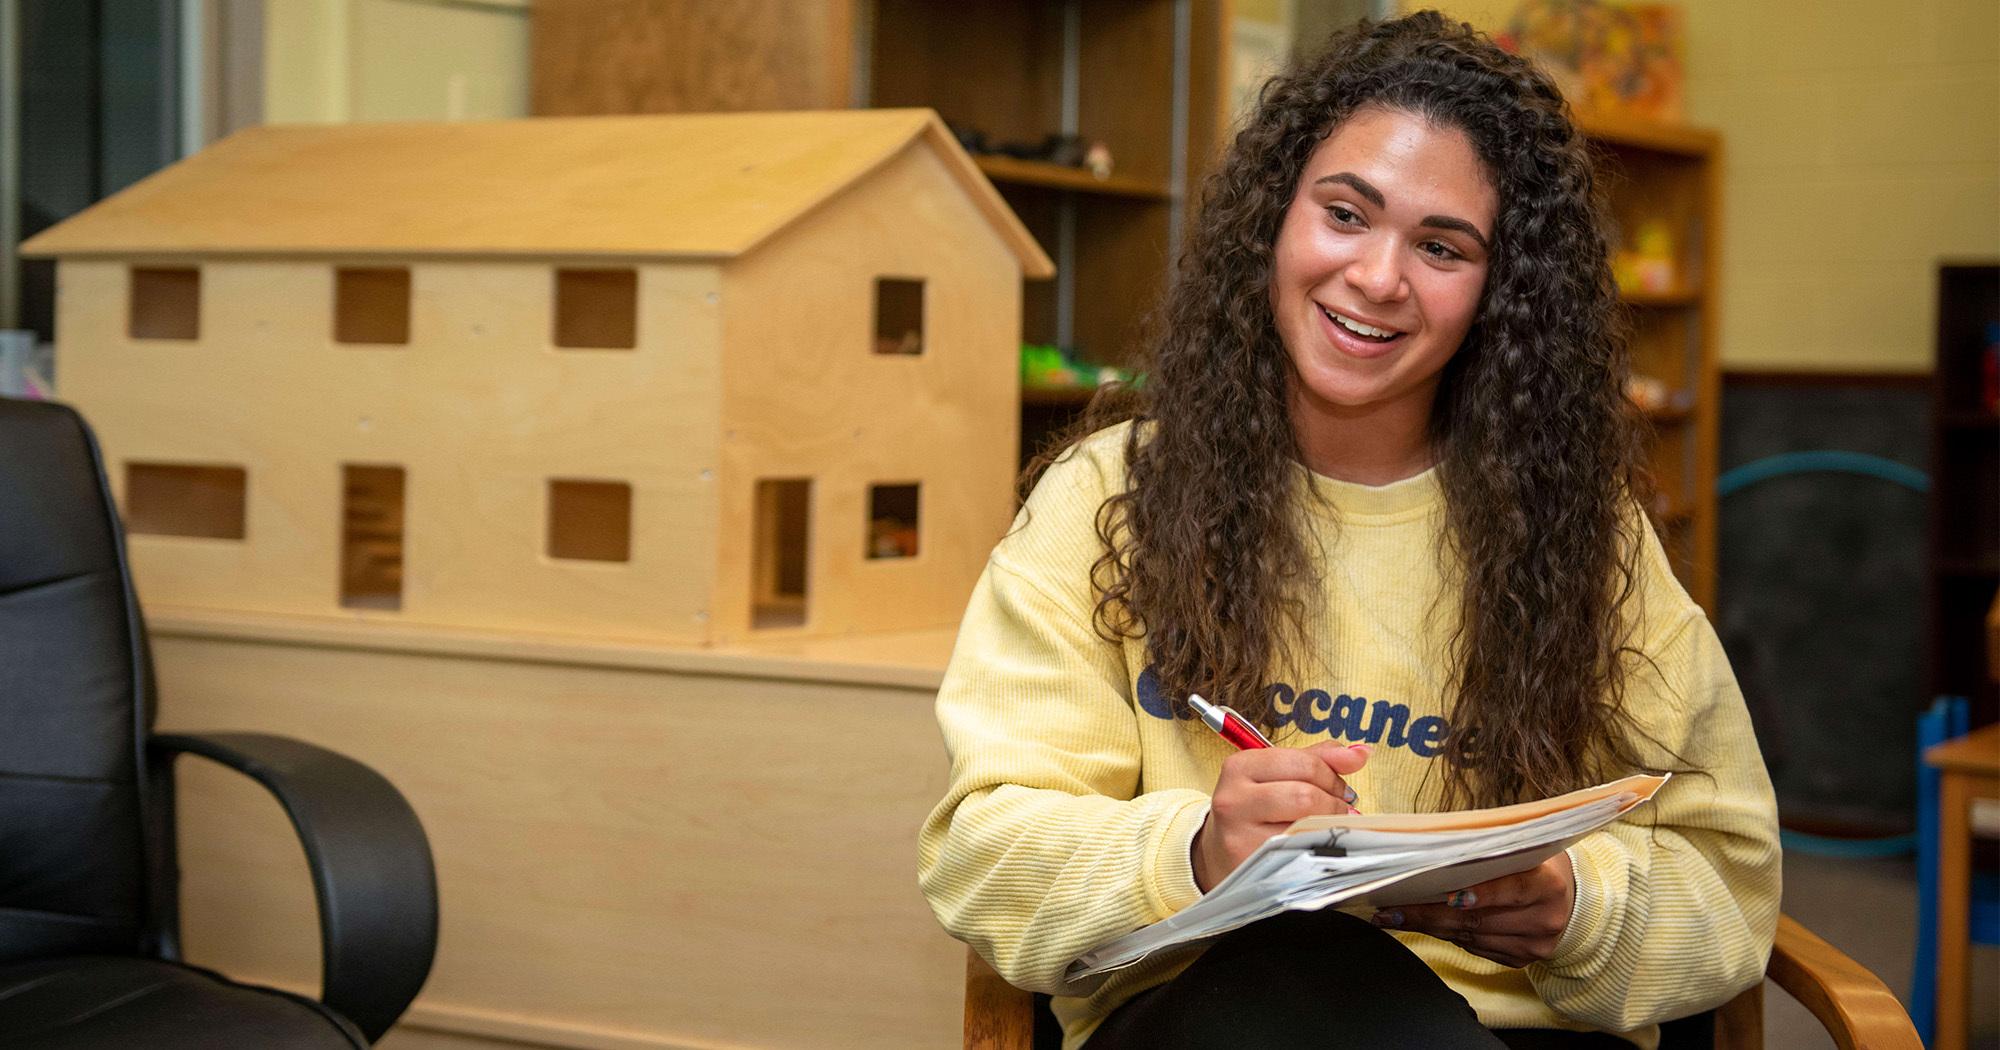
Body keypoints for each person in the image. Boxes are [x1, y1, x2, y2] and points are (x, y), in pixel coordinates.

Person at [917, 11, 1779, 1050]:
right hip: (1203, 1020)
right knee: (1297, 973)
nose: (1376, 277)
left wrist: (1575, 906)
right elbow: (984, 854)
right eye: (1343, 213)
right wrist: (1199, 850)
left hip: (1510, 1033)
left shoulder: (1583, 539)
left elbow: (1727, 885)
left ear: (1495, 296)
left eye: (1440, 246)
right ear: (1273, 221)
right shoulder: (1107, 500)